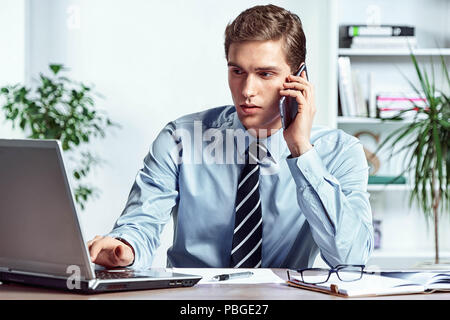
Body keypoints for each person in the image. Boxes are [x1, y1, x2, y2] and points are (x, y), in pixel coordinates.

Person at [88, 4, 374, 269]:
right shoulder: (180, 139)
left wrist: (301, 150)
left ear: (299, 78)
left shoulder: (339, 152)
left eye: (265, 74)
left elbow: (350, 258)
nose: (247, 90)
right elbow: (142, 223)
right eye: (237, 71)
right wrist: (124, 248)